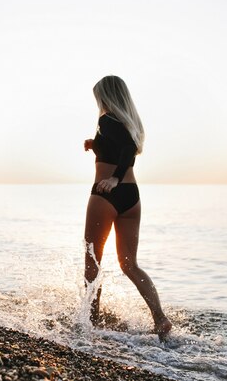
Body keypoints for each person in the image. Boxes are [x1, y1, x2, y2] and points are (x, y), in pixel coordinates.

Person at [83, 75, 172, 341]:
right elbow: (122, 146)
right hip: (131, 197)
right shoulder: (128, 123)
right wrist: (94, 144)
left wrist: (113, 178)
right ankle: (160, 319)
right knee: (129, 263)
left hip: (106, 193)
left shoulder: (107, 119)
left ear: (107, 97)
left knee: (92, 261)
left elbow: (128, 149)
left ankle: (91, 321)